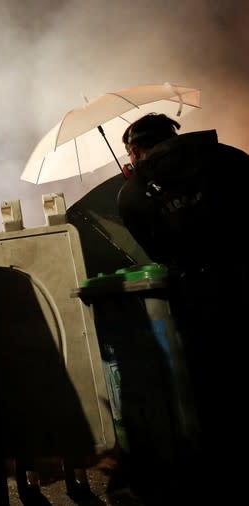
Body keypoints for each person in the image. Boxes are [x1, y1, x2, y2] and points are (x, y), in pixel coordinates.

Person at [117, 113, 249, 501]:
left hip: (201, 297)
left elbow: (159, 252)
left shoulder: (133, 192)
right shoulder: (229, 156)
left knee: (217, 388)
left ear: (135, 149)